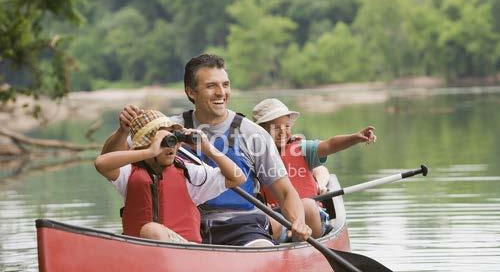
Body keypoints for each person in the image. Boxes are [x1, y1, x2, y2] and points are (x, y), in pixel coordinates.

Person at [100, 54, 311, 247]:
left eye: (225, 85)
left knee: (261, 247)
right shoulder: (169, 128)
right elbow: (109, 161)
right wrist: (122, 131)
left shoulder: (253, 134)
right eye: (211, 86)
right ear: (191, 92)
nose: (221, 92)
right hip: (187, 228)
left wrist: (299, 222)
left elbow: (285, 192)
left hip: (243, 227)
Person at [95, 109, 246, 244]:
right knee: (151, 231)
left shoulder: (189, 173)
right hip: (141, 256)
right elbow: (101, 163)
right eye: (165, 141)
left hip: (187, 254)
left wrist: (208, 148)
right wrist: (150, 151)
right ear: (143, 145)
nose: (172, 146)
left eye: (174, 139)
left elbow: (238, 177)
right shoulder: (129, 174)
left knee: (151, 230)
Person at [252, 98, 377, 241]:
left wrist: (356, 138)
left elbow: (329, 145)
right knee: (264, 217)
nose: (283, 132)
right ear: (260, 131)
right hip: (277, 216)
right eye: (276, 128)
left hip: (312, 217)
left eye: (286, 127)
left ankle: (299, 239)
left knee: (307, 206)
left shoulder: (304, 149)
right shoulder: (253, 156)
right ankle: (281, 242)